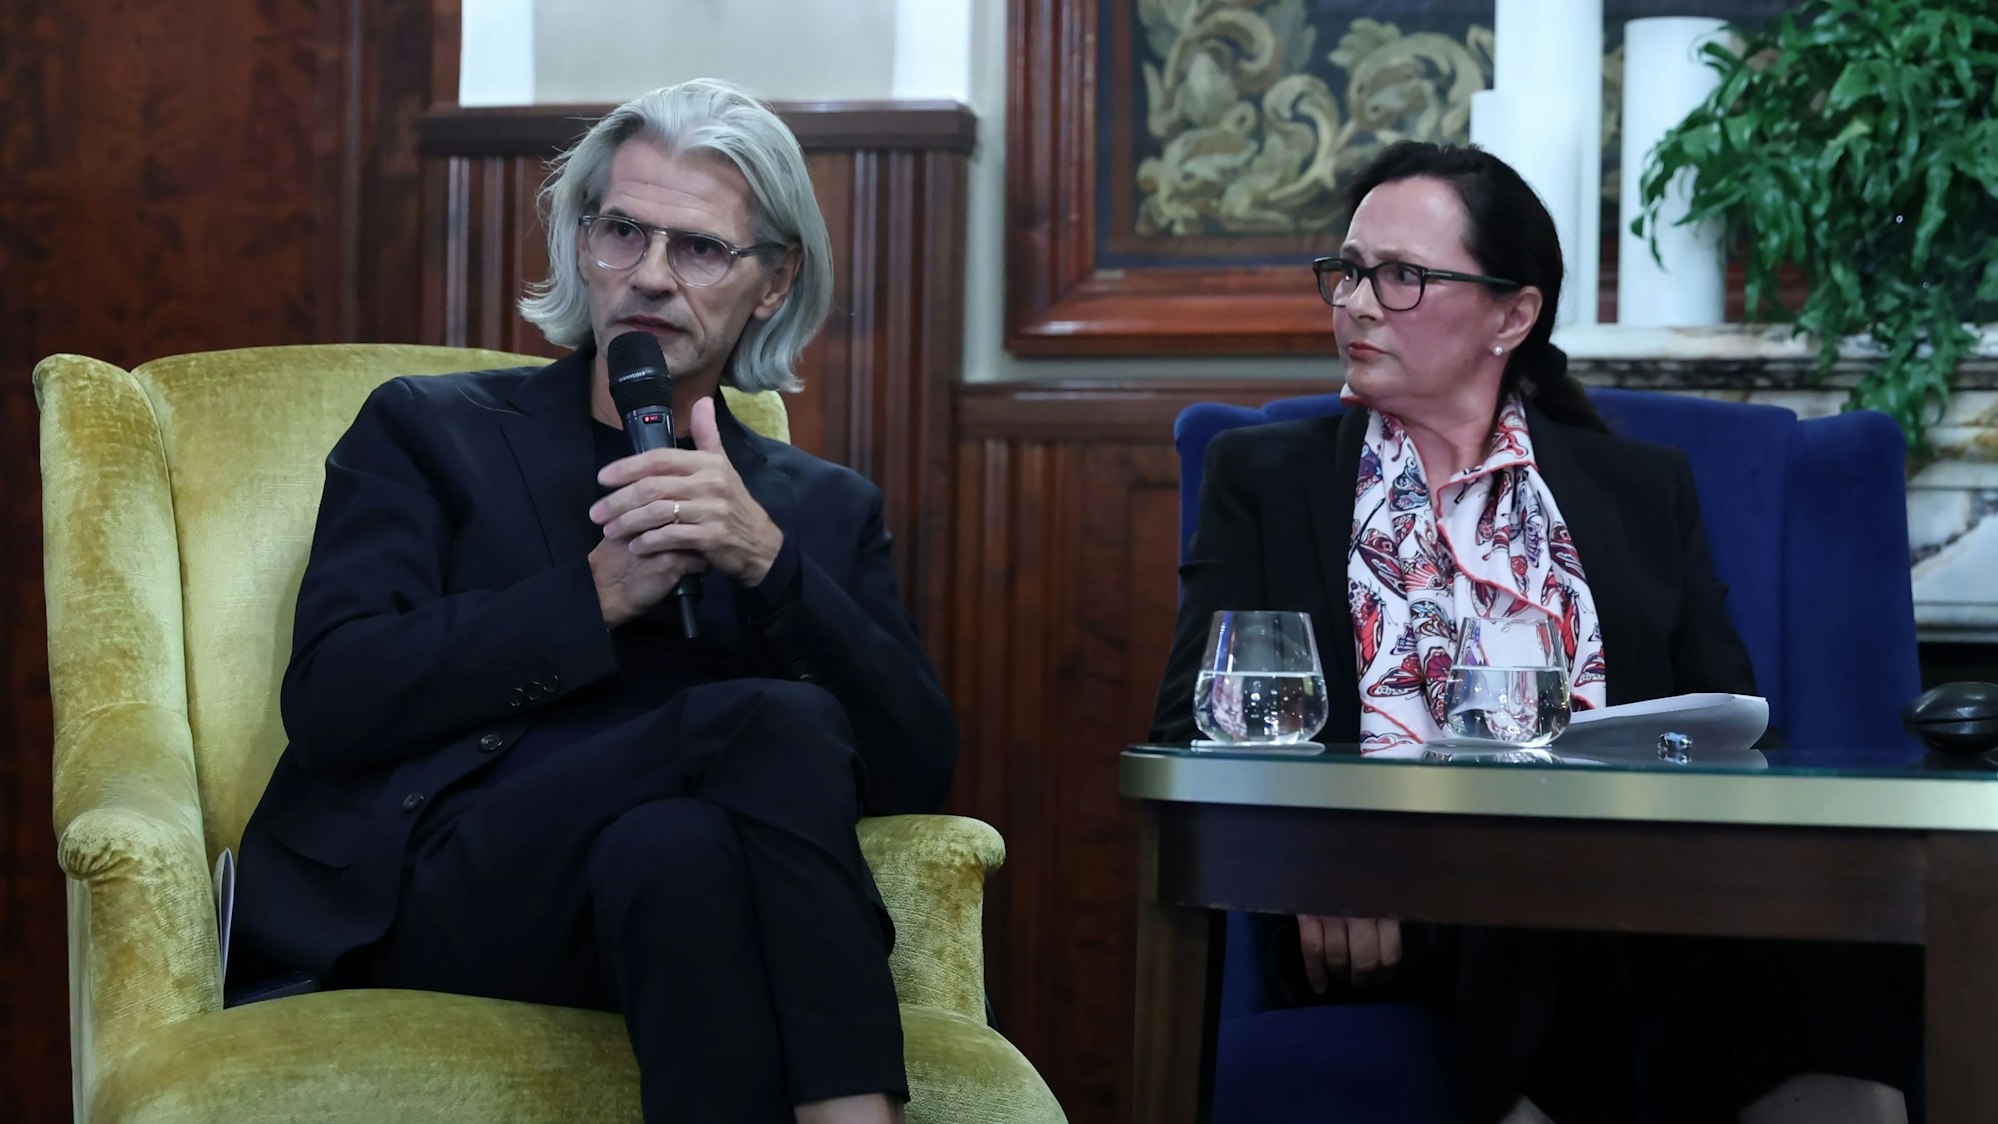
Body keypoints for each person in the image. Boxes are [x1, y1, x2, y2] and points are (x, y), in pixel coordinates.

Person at [230, 79, 954, 1124]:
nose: (651, 275)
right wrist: (596, 593)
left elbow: (916, 767)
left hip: (633, 897)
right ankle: (855, 1112)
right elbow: (336, 697)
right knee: (772, 716)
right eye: (623, 230)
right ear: (581, 242)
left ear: (771, 281)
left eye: (700, 248)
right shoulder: (432, 433)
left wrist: (769, 563)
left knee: (679, 854)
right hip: (448, 874)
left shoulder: (817, 510)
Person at [1150, 141, 1918, 1122]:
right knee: (1530, 877)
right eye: (1347, 270)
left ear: (1513, 314)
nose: (1356, 301)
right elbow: (1191, 723)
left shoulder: (1640, 490)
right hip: (1391, 900)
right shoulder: (1267, 477)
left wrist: (1651, 752)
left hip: (1648, 890)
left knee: (1856, 933)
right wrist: (1319, 853)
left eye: (1402, 276)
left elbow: (1726, 736)